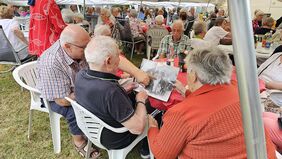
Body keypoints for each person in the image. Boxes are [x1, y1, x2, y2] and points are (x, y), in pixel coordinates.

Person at [37, 24, 151, 158]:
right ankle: (78, 141)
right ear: (68, 47)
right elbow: (62, 100)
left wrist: (135, 73)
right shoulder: (51, 62)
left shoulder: (81, 70)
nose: (88, 49)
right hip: (58, 97)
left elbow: (103, 59)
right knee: (74, 112)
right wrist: (139, 99)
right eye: (85, 47)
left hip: (85, 87)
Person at [147, 46, 277, 159]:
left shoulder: (182, 113)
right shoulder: (240, 90)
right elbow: (214, 103)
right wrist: (185, 91)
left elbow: (162, 154)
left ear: (194, 76)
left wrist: (152, 128)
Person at [75, 36, 153, 158]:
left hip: (92, 128)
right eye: (118, 55)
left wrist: (122, 90)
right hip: (116, 138)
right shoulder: (110, 92)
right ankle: (146, 150)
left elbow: (100, 97)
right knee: (154, 108)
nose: (120, 60)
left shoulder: (81, 75)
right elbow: (137, 128)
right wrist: (140, 100)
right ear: (108, 60)